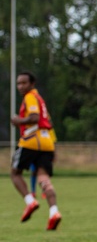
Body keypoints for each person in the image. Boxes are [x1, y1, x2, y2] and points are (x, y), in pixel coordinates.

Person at [10, 71, 62, 230]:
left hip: (32, 140)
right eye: (18, 83)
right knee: (43, 177)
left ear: (32, 84)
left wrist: (18, 121)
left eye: (24, 83)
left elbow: (34, 118)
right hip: (47, 142)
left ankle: (30, 201)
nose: (20, 86)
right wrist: (54, 148)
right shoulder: (41, 100)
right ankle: (54, 212)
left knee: (15, 173)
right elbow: (49, 123)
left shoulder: (30, 97)